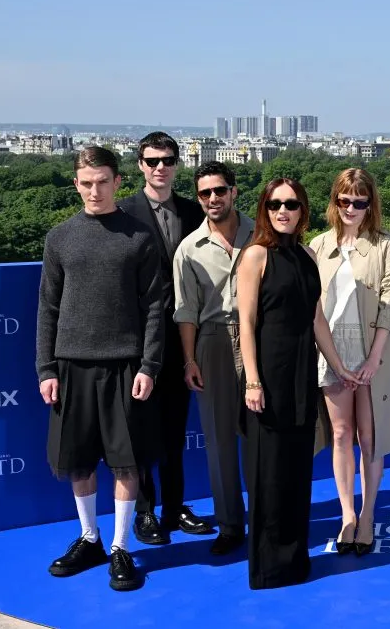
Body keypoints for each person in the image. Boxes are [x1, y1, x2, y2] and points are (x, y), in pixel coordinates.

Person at [37, 145, 164, 591]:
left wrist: (149, 364)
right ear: (76, 184)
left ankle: (120, 547)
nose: (94, 190)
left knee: (126, 463)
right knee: (78, 461)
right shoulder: (59, 238)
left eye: (102, 181)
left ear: (117, 182)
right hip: (71, 367)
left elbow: (154, 308)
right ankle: (89, 538)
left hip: (126, 367)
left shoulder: (139, 238)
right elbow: (47, 308)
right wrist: (45, 369)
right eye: (86, 183)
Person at [237, 178, 357, 588]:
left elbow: (316, 318)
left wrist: (337, 365)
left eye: (291, 204)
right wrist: (253, 381)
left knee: (295, 471)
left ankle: (293, 558)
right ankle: (269, 567)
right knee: (269, 472)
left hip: (302, 376)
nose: (283, 211)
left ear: (303, 209)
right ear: (264, 210)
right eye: (274, 205)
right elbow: (246, 323)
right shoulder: (255, 256)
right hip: (268, 377)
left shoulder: (307, 255)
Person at [310, 168, 390, 555]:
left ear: (371, 205)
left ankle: (368, 515)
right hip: (332, 351)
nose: (351, 207)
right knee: (340, 435)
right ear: (335, 202)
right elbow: (314, 308)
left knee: (370, 437)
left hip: (375, 352)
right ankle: (347, 514)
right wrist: (335, 361)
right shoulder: (318, 245)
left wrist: (372, 359)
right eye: (344, 200)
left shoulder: (387, 246)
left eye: (360, 201)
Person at [118, 131, 212, 545]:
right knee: (140, 431)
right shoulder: (121, 215)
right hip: (136, 341)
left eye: (168, 159)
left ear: (178, 163)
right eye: (152, 159)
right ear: (139, 164)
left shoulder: (196, 213)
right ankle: (145, 510)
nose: (160, 166)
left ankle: (174, 508)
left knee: (175, 431)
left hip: (185, 338)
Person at [172, 161, 253, 555]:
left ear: (234, 191)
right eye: (205, 193)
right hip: (214, 341)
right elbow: (186, 309)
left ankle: (269, 517)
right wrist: (189, 360)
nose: (213, 199)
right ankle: (230, 525)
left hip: (261, 339)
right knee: (220, 441)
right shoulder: (189, 248)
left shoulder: (263, 232)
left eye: (220, 190)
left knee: (262, 435)